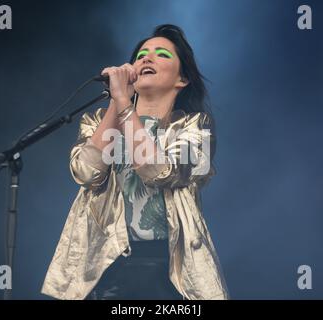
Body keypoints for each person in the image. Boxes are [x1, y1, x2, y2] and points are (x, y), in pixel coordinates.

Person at [42, 24, 230, 300]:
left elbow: (161, 172)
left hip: (169, 272)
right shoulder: (98, 121)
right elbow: (85, 172)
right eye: (141, 54)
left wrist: (123, 103)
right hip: (104, 267)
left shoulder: (195, 127)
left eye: (162, 54)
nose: (146, 58)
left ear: (183, 79)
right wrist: (118, 106)